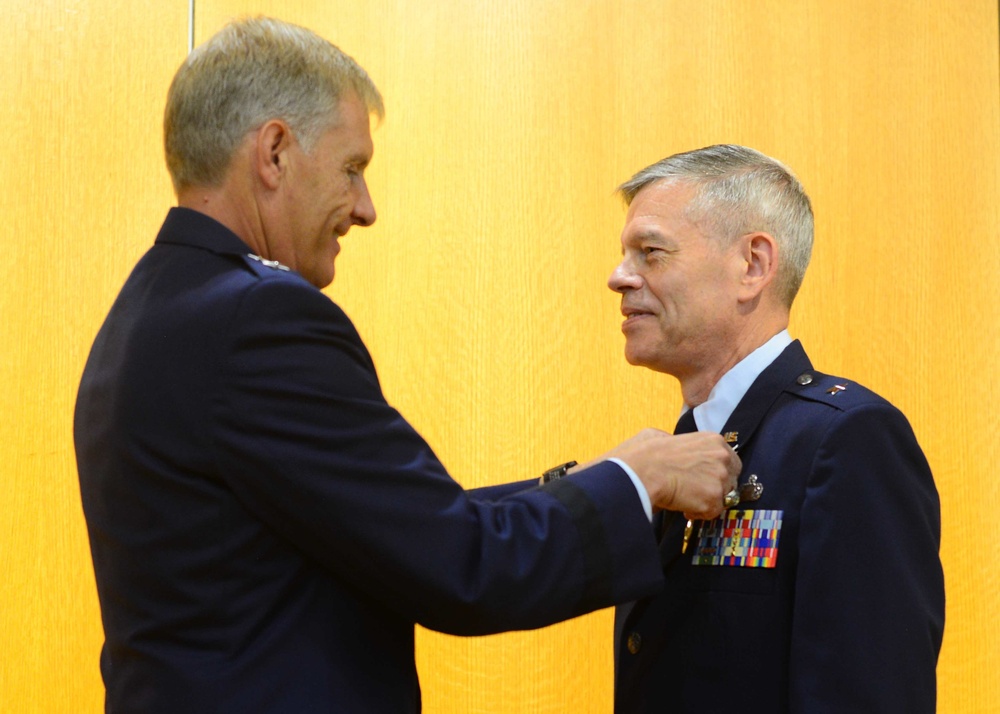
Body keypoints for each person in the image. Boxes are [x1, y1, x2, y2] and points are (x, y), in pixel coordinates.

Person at [73, 18, 741, 713]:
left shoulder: (151, 308)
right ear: (273, 153)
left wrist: (600, 478)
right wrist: (635, 483)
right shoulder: (259, 321)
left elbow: (387, 527)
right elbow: (459, 564)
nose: (365, 209)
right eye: (352, 169)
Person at [607, 144, 945, 713]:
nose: (619, 278)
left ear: (752, 267)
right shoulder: (683, 447)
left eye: (651, 252)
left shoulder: (846, 441)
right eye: (625, 254)